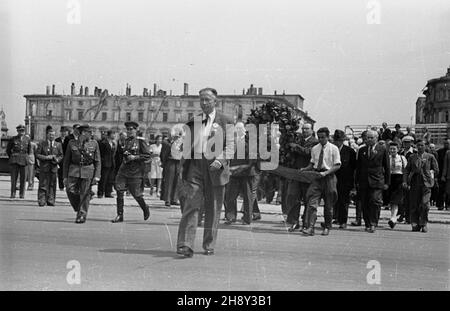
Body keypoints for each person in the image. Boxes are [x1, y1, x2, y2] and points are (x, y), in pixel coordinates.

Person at [176, 87, 234, 257]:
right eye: (201, 99)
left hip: (215, 167)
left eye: (207, 99)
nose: (204, 102)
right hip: (195, 166)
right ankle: (185, 245)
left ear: (215, 101)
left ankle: (209, 244)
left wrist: (221, 159)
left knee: (213, 207)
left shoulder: (226, 120)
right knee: (191, 204)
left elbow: (231, 146)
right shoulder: (194, 121)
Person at [300, 127, 341, 236]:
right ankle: (310, 227)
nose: (321, 139)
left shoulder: (334, 148)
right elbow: (312, 163)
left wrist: (326, 173)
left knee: (328, 205)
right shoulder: (315, 149)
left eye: (323, 137)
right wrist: (305, 169)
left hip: (329, 177)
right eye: (319, 137)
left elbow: (337, 165)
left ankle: (327, 226)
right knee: (312, 203)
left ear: (328, 137)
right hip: (317, 178)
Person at [111, 121, 151, 223]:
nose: (129, 131)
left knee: (136, 194)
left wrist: (135, 157)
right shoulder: (125, 141)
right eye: (128, 129)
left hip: (136, 171)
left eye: (131, 129)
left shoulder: (141, 141)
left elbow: (147, 156)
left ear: (136, 130)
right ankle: (120, 215)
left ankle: (145, 208)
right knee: (119, 191)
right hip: (123, 170)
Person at [63, 124, 101, 223]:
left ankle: (82, 215)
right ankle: (78, 207)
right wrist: (64, 177)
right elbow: (66, 161)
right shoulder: (72, 143)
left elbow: (97, 161)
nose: (91, 134)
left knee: (85, 193)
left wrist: (97, 176)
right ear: (83, 133)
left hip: (88, 170)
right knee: (69, 190)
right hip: (74, 170)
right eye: (89, 132)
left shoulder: (94, 144)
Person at [224, 121, 259, 225]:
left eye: (240, 128)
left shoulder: (250, 142)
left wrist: (241, 168)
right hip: (234, 173)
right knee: (230, 196)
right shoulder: (232, 141)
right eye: (236, 129)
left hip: (246, 174)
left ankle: (247, 218)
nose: (238, 130)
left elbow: (252, 160)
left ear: (244, 130)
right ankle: (231, 217)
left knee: (247, 197)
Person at [355, 130, 390, 233]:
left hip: (377, 180)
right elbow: (359, 167)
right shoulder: (362, 150)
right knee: (365, 203)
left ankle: (374, 223)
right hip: (364, 181)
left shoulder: (382, 149)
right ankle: (367, 223)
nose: (369, 140)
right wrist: (356, 181)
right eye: (367, 138)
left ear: (376, 138)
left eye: (371, 138)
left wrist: (387, 183)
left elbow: (387, 167)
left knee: (375, 201)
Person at [285, 123, 318, 232]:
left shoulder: (315, 141)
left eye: (307, 129)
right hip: (296, 173)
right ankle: (295, 222)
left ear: (312, 130)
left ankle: (306, 223)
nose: (304, 131)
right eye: (303, 129)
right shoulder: (298, 140)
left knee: (307, 198)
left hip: (307, 174)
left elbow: (308, 152)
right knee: (294, 198)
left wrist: (296, 146)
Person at [404, 140, 438, 232]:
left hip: (426, 184)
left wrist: (431, 175)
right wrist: (405, 181)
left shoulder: (430, 157)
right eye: (418, 145)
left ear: (425, 146)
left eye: (421, 145)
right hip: (415, 183)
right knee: (414, 204)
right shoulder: (412, 157)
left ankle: (423, 223)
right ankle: (415, 223)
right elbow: (407, 170)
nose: (419, 147)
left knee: (425, 204)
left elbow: (436, 170)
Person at [332, 129, 356, 229]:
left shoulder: (350, 151)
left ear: (342, 141)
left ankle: (343, 221)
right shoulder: (331, 149)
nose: (337, 142)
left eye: (339, 140)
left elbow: (354, 168)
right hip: (332, 179)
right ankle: (335, 218)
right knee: (333, 200)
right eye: (336, 140)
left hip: (345, 180)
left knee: (343, 201)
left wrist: (353, 184)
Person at [35, 127, 63, 206]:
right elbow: (37, 154)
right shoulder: (42, 144)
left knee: (52, 184)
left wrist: (57, 159)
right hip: (44, 167)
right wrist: (46, 157)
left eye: (53, 135)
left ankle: (51, 200)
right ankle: (42, 200)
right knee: (43, 184)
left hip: (53, 167)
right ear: (47, 135)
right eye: (50, 135)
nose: (51, 136)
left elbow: (61, 155)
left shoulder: (58, 144)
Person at [160, 124, 184, 207]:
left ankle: (174, 199)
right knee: (169, 181)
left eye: (179, 134)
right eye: (176, 134)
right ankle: (167, 199)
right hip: (170, 162)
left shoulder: (182, 142)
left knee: (177, 181)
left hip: (179, 162)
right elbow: (163, 154)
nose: (178, 136)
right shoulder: (166, 142)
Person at [6, 124, 31, 199]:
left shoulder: (27, 139)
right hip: (15, 160)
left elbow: (29, 150)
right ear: (17, 131)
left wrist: (26, 157)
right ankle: (13, 193)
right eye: (20, 131)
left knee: (23, 178)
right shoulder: (13, 139)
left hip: (24, 159)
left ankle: (22, 194)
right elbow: (8, 150)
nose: (21, 132)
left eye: (23, 131)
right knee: (14, 178)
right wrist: (12, 156)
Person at [387, 142, 407, 229]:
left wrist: (405, 181)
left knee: (396, 200)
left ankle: (393, 218)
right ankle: (394, 218)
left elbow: (406, 170)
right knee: (392, 201)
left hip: (399, 180)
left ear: (398, 149)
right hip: (390, 179)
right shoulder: (387, 158)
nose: (392, 150)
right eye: (391, 149)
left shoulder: (402, 158)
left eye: (394, 149)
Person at [398, 135, 416, 223]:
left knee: (409, 198)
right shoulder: (400, 152)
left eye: (408, 142)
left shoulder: (414, 153)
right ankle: (402, 214)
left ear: (412, 143)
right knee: (401, 198)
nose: (406, 144)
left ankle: (408, 217)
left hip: (411, 177)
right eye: (405, 142)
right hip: (401, 176)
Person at [97, 130, 117, 198]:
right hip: (105, 163)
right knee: (103, 179)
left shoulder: (113, 143)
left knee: (110, 179)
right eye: (113, 134)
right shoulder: (103, 143)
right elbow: (101, 153)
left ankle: (108, 193)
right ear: (109, 135)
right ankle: (100, 193)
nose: (114, 136)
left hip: (111, 163)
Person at [436, 139, 450, 210]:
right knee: (441, 190)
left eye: (448, 143)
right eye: (445, 143)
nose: (446, 145)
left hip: (447, 174)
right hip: (441, 173)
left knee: (448, 191)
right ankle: (440, 205)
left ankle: (448, 204)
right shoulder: (439, 152)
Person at [55, 126, 69, 190]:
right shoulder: (57, 140)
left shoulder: (68, 140)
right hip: (60, 158)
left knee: (67, 172)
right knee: (60, 172)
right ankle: (61, 186)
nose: (63, 133)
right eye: (62, 132)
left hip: (67, 158)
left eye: (65, 132)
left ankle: (67, 185)